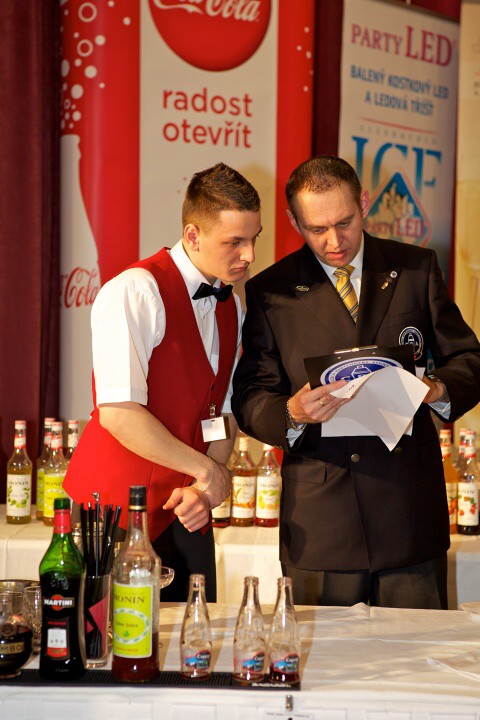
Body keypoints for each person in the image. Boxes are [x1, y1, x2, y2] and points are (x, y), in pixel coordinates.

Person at [232, 156, 480, 609]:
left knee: (416, 651)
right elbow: (250, 396)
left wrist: (438, 389)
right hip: (322, 523)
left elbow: (469, 359)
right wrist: (292, 412)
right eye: (316, 229)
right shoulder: (272, 290)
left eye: (344, 222)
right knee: (325, 653)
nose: (333, 241)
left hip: (408, 515)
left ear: (364, 203)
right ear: (294, 222)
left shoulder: (415, 268)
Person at [64, 162, 261, 601]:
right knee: (107, 636)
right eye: (235, 241)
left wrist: (204, 490)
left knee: (194, 635)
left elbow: (222, 412)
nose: (249, 255)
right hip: (113, 510)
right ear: (193, 235)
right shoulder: (136, 290)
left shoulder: (232, 306)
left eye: (254, 239)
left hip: (184, 509)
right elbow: (119, 414)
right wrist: (208, 471)